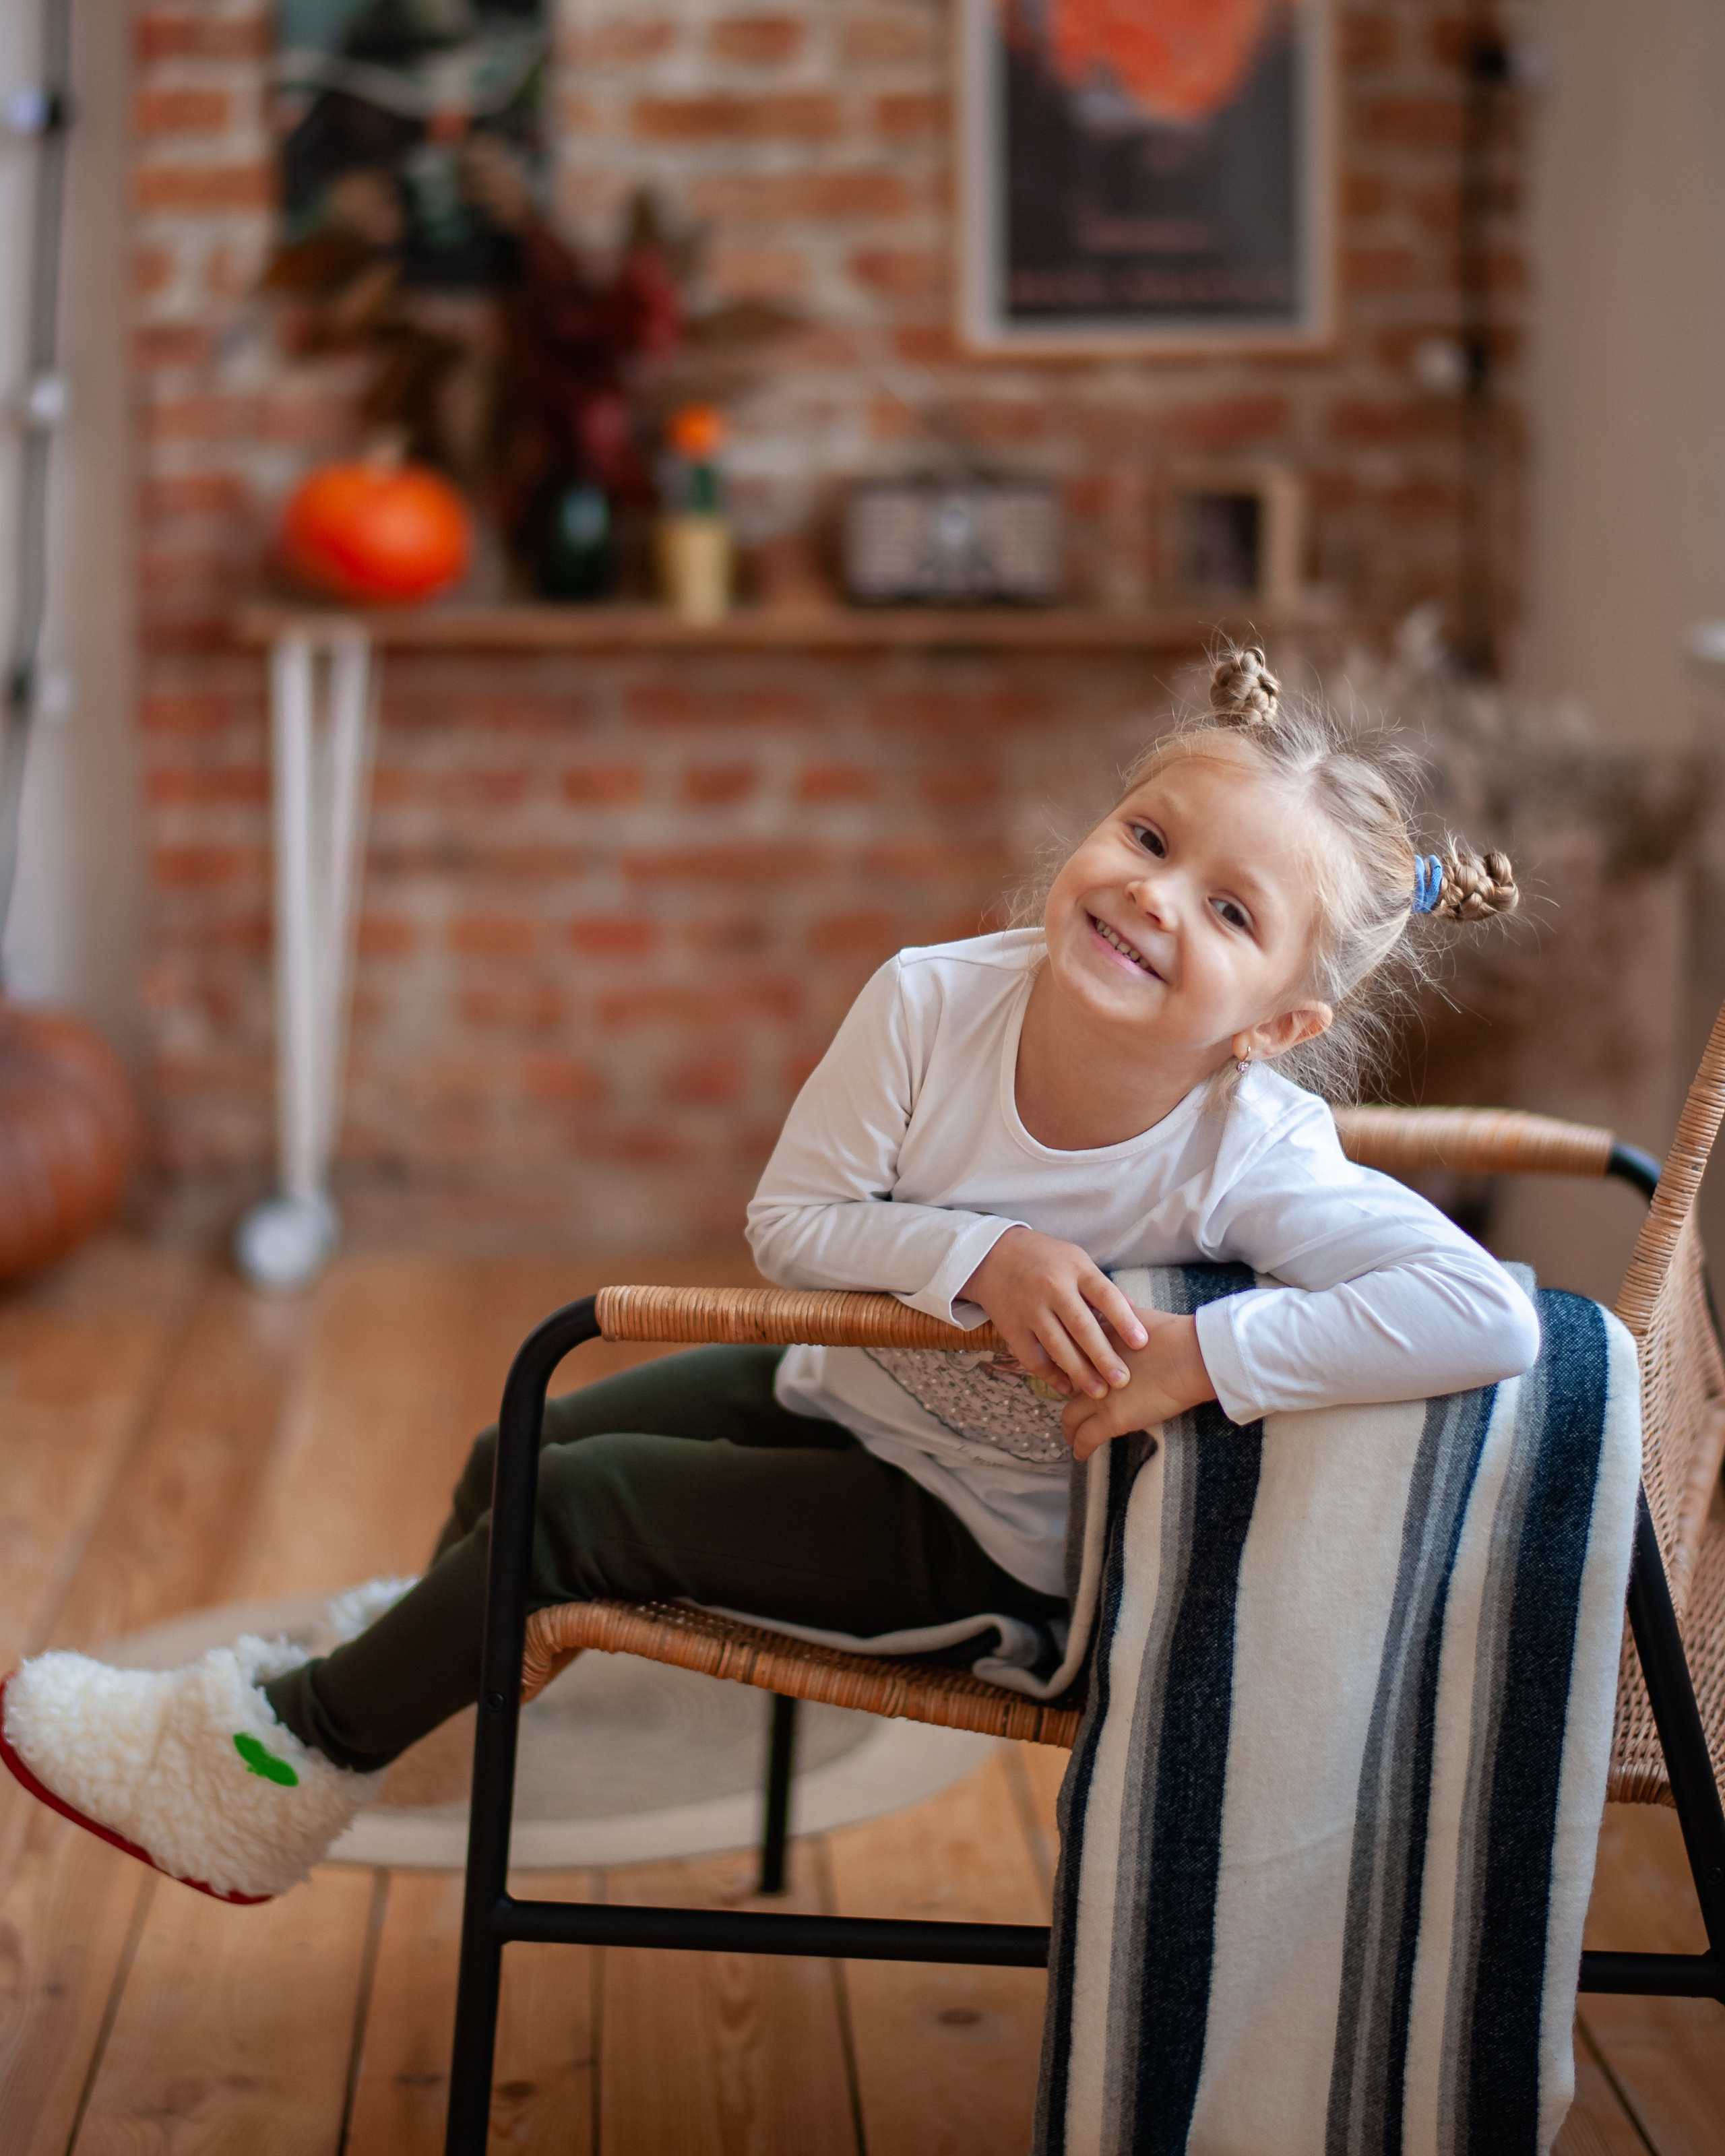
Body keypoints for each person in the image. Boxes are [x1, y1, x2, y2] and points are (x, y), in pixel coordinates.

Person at [0, 647, 1538, 1903]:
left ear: (1273, 1021)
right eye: (1147, 838)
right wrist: (981, 1258)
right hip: (844, 1391)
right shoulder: (933, 1001)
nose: (1153, 894)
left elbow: (1487, 1314)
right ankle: (410, 1684)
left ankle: (273, 1761)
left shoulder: (1247, 1144)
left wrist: (1204, 1359)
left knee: (563, 1508)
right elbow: (794, 1221)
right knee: (510, 1449)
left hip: (991, 1539)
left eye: (1227, 911)